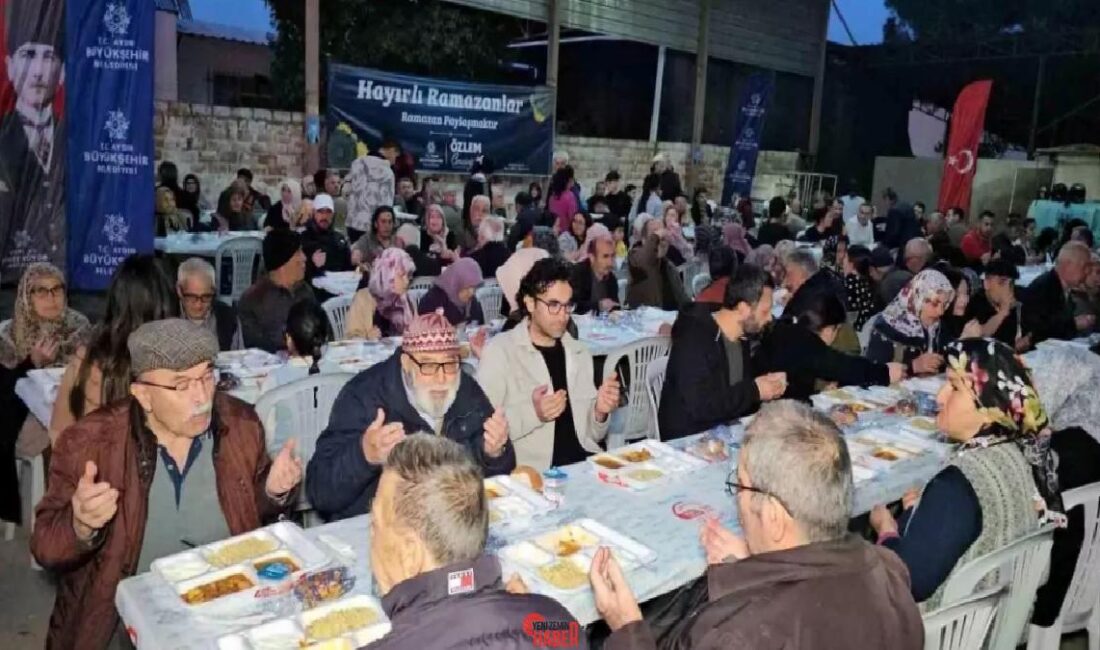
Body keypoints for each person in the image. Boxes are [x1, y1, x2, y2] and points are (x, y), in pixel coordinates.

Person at [32, 319, 301, 649]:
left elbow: (247, 512)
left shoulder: (240, 425)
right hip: (122, 619)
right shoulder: (91, 443)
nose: (202, 397)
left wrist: (273, 492)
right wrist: (80, 524)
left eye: (206, 376)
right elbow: (45, 546)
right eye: (181, 385)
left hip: (223, 607)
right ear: (143, 394)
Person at [594, 400, 923, 650]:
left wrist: (626, 628)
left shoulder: (741, 634)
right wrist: (755, 565)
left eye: (740, 486)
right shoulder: (891, 574)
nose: (737, 499)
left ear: (775, 518)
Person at [869, 339, 1063, 607]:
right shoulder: (1023, 454)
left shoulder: (957, 484)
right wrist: (922, 511)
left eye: (955, 387)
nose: (940, 397)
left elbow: (909, 581)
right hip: (998, 622)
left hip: (943, 631)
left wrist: (886, 531)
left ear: (989, 407)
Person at [366, 435, 583, 649]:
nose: (371, 537)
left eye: (375, 525)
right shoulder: (562, 626)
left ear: (409, 555)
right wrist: (526, 613)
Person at [306, 311, 515, 521]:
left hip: (448, 523)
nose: (441, 378)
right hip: (376, 527)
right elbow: (320, 492)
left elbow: (497, 478)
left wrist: (494, 454)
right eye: (428, 365)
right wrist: (364, 455)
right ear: (406, 363)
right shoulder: (364, 397)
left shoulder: (466, 391)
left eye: (450, 364)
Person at [478, 258, 619, 469]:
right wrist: (534, 413)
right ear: (530, 303)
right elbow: (482, 433)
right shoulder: (501, 352)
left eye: (567, 305)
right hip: (534, 474)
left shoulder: (578, 352)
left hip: (585, 465)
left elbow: (592, 435)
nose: (563, 315)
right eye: (553, 305)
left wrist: (600, 411)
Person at [50, 255, 177, 443]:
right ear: (166, 301)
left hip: (95, 466)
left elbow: (59, 433)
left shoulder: (87, 360)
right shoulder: (178, 362)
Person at [659, 264, 786, 440]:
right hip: (689, 439)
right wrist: (755, 390)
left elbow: (736, 397)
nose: (770, 317)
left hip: (725, 432)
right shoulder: (695, 338)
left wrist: (766, 386)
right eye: (765, 311)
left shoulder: (740, 337)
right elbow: (700, 405)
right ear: (743, 309)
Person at [0, 0, 66, 277]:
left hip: (64, 279)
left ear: (62, 71)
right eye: (28, 55)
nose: (37, 72)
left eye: (49, 56)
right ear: (10, 65)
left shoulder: (74, 142)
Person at [760, 291, 904, 401]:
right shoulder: (806, 344)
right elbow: (844, 366)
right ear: (830, 329)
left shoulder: (785, 329)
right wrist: (884, 372)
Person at [238, 229, 315, 352]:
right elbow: (254, 345)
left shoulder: (305, 292)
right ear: (283, 261)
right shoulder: (253, 300)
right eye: (298, 252)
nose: (305, 258)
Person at [865, 268, 953, 375]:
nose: (940, 311)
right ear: (918, 298)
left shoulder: (937, 327)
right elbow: (872, 372)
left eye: (945, 305)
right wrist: (912, 367)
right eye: (935, 304)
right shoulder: (886, 327)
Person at [1022, 241, 1095, 343]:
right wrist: (1074, 324)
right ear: (1068, 265)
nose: (1087, 272)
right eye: (1084, 267)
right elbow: (1038, 332)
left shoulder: (1062, 285)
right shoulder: (1043, 289)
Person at [176, 258, 241, 352]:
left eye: (206, 297)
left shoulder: (229, 319)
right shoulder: (165, 318)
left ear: (213, 290)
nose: (199, 305)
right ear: (179, 291)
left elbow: (239, 358)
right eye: (192, 297)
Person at [627, 216, 688, 310]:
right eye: (655, 236)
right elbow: (645, 258)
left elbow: (684, 300)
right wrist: (656, 237)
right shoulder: (635, 258)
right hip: (644, 320)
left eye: (663, 237)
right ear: (643, 240)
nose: (661, 241)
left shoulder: (669, 267)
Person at [345, 138, 398, 243]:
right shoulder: (388, 173)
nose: (395, 159)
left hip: (353, 224)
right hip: (374, 228)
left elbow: (345, 191)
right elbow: (386, 206)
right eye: (396, 154)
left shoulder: (356, 164)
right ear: (390, 150)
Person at [965, 259, 1024, 348]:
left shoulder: (1017, 299)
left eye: (1011, 284)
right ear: (986, 283)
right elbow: (979, 336)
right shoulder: (974, 304)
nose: (1007, 289)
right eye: (1001, 283)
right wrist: (1003, 312)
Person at [416, 258, 485, 327]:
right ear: (456, 283)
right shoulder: (433, 300)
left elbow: (479, 324)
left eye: (474, 287)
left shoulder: (472, 301)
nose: (471, 292)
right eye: (467, 287)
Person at [300, 193, 353, 281]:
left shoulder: (339, 239)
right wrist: (313, 264)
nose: (324, 216)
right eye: (320, 211)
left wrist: (355, 262)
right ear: (314, 213)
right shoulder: (303, 239)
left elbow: (348, 269)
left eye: (328, 212)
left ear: (333, 214)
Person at [570, 226, 619, 315]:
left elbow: (615, 307)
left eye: (612, 256)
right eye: (605, 256)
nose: (610, 262)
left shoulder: (611, 279)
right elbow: (573, 306)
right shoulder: (577, 274)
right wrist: (598, 305)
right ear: (592, 257)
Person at [370, 247, 417, 337]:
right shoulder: (370, 303)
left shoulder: (408, 299)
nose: (406, 281)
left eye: (408, 276)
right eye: (401, 276)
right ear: (387, 276)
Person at [841, 245, 879, 331]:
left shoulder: (848, 284)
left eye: (845, 258)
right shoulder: (871, 281)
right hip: (870, 329)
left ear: (851, 265)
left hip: (853, 332)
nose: (842, 262)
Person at [421, 203, 457, 268]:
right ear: (427, 221)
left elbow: (453, 257)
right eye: (432, 217)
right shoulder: (423, 234)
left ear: (443, 221)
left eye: (438, 217)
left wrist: (442, 243)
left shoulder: (450, 234)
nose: (435, 221)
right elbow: (424, 257)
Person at [547, 166, 579, 234]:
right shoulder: (570, 196)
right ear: (568, 181)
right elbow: (572, 217)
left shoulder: (552, 197)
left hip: (554, 231)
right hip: (566, 233)